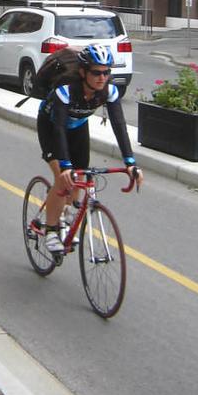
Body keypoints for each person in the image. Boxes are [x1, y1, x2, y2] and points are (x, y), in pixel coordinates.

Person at [35, 44, 142, 255]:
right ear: (83, 72)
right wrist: (65, 165)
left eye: (106, 72)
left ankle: (63, 215)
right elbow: (58, 129)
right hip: (51, 126)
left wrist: (130, 162)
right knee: (63, 179)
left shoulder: (108, 91)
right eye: (96, 72)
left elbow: (119, 125)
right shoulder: (66, 91)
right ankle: (50, 230)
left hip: (77, 126)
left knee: (79, 181)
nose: (102, 77)